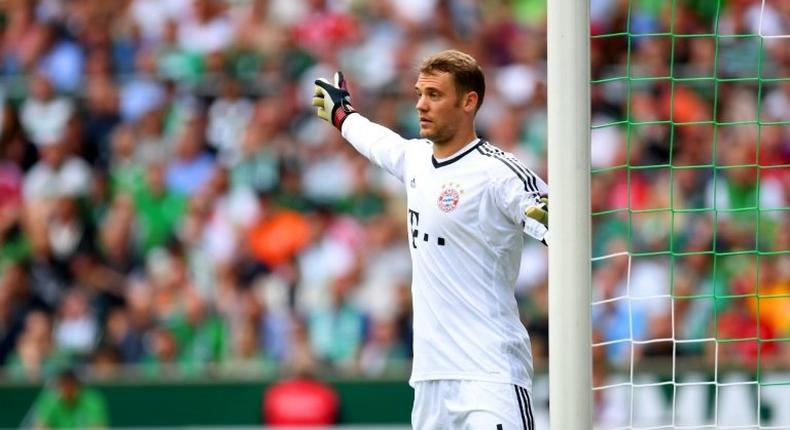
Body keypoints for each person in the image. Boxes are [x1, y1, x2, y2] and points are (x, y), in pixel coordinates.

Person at [313, 49, 548, 429]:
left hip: (490, 375)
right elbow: (376, 142)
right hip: (430, 378)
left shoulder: (500, 174)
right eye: (420, 94)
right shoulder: (416, 158)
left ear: (469, 102)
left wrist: (556, 222)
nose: (421, 105)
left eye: (435, 95)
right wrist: (342, 115)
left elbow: (564, 232)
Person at [32, 368, 109, 429]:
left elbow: (98, 426)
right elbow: (41, 427)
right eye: (63, 385)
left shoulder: (92, 400)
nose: (67, 389)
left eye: (71, 385)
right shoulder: (49, 401)